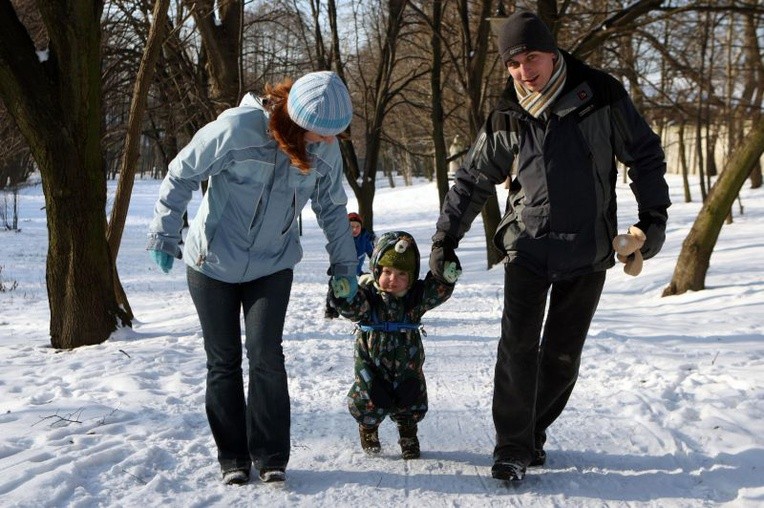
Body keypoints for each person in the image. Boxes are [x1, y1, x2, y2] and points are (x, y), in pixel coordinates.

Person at [428, 11, 670, 482]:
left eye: (531, 58)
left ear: (552, 51)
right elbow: (475, 178)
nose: (523, 71)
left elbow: (644, 154)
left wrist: (652, 221)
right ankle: (512, 447)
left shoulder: (600, 94)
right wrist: (445, 239)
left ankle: (531, 433)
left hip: (588, 250)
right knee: (517, 349)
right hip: (527, 247)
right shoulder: (507, 112)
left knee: (562, 357)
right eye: (513, 64)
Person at [146, 71, 359, 485]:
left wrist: (345, 268)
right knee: (223, 361)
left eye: (336, 134)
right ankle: (233, 458)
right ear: (296, 122)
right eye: (322, 134)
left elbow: (332, 208)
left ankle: (272, 456)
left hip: (273, 264)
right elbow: (182, 172)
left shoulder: (325, 149)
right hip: (212, 263)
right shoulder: (237, 129)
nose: (331, 142)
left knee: (266, 355)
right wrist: (165, 231)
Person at [328, 231, 460, 459]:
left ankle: (408, 433)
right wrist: (344, 294)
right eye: (387, 272)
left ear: (411, 276)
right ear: (377, 270)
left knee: (410, 397)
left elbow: (435, 292)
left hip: (407, 363)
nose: (393, 279)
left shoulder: (414, 299)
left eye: (401, 274)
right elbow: (353, 308)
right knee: (370, 397)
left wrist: (445, 278)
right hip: (372, 363)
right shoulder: (369, 296)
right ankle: (368, 428)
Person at [324, 212, 375, 319]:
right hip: (343, 269)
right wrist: (334, 268)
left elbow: (372, 254)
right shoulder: (342, 240)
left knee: (362, 287)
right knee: (334, 286)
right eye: (351, 227)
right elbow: (336, 255)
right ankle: (330, 308)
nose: (355, 229)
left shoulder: (364, 239)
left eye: (358, 226)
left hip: (357, 270)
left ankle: (358, 306)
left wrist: (376, 265)